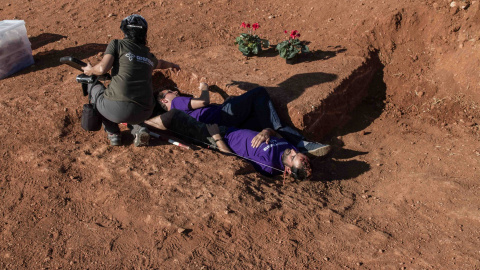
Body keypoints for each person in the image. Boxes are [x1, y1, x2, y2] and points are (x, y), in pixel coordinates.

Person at [79, 14, 180, 146]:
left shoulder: (117, 44)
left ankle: (113, 133)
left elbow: (102, 68)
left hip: (116, 109)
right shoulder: (148, 55)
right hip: (145, 111)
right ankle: (139, 128)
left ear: (125, 31)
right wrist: (173, 65)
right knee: (131, 105)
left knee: (93, 85)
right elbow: (160, 63)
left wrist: (90, 70)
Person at [156, 83, 331, 157]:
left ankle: (293, 151)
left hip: (226, 129)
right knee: (259, 93)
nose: (175, 92)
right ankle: (301, 143)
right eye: (170, 91)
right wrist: (204, 88)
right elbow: (204, 101)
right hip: (223, 116)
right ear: (164, 100)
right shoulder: (176, 103)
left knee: (261, 117)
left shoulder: (177, 117)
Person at [144, 109, 312, 179]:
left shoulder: (268, 165)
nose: (291, 152)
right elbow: (275, 132)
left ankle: (140, 124)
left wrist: (216, 137)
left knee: (174, 115)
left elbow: (234, 161)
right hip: (231, 128)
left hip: (216, 137)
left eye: (293, 157)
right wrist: (267, 132)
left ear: (288, 170)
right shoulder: (292, 149)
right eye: (296, 153)